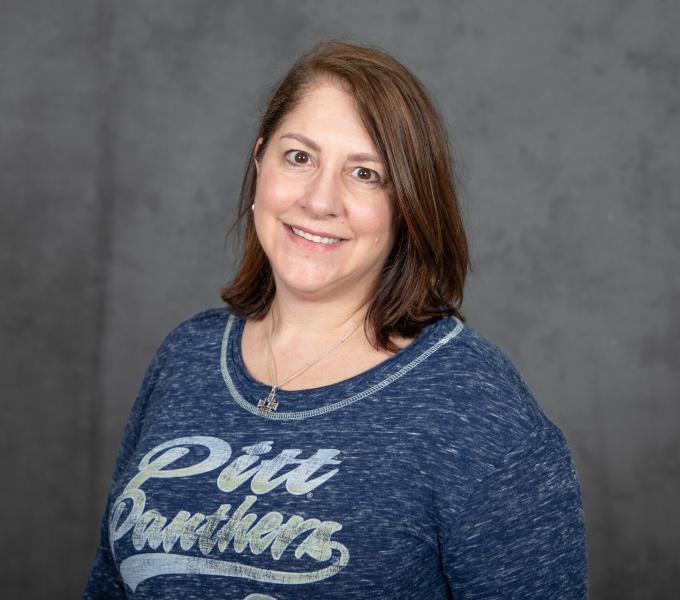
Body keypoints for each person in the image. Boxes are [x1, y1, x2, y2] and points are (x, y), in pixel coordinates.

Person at [84, 41, 587, 599]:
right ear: (260, 164)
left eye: (366, 173)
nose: (321, 200)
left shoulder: (474, 402)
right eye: (299, 157)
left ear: (408, 205)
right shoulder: (187, 358)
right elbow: (110, 585)